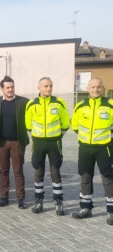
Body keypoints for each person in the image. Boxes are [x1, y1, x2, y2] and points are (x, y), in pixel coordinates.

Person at [71, 77, 113, 225]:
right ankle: (85, 208)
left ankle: (111, 211)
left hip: (104, 148)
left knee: (107, 179)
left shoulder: (110, 105)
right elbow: (75, 126)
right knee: (85, 177)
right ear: (88, 88)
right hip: (85, 148)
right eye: (93, 87)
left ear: (103, 88)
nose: (96, 90)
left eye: (98, 87)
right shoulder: (80, 105)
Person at [25, 77, 70, 215]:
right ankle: (39, 200)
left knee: (55, 170)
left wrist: (57, 136)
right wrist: (37, 136)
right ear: (39, 87)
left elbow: (65, 124)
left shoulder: (59, 103)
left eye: (50, 86)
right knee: (39, 170)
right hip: (38, 142)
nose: (48, 88)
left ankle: (58, 201)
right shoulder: (31, 104)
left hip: (54, 142)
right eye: (45, 86)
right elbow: (28, 124)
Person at [0, 76, 29, 209]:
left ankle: (21, 198)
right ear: (2, 89)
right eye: (7, 87)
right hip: (1, 143)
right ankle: (3, 197)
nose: (10, 89)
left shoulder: (23, 102)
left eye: (12, 87)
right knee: (3, 170)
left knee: (18, 171)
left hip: (17, 142)